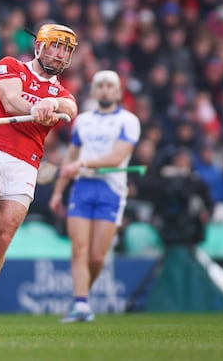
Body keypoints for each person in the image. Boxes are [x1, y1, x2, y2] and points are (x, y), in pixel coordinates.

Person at [0, 24, 79, 334]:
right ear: (40, 46)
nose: (60, 54)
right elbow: (9, 100)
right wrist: (36, 107)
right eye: (55, 46)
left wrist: (54, 104)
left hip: (26, 163)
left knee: (5, 233)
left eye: (66, 49)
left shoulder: (62, 91)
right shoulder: (11, 65)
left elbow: (72, 108)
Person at [49, 70, 141, 323]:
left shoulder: (128, 121)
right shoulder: (83, 121)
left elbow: (115, 157)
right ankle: (81, 304)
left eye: (109, 85)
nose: (103, 89)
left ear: (118, 91)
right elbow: (71, 157)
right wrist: (59, 190)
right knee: (79, 250)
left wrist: (82, 164)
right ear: (93, 90)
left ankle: (83, 295)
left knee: (97, 256)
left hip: (111, 189)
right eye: (99, 85)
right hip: (83, 188)